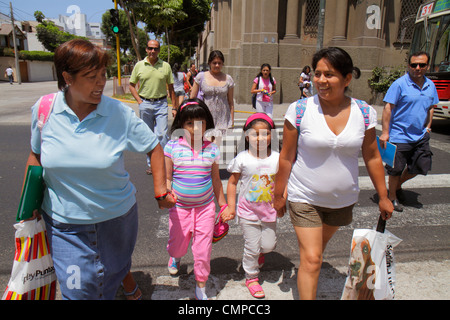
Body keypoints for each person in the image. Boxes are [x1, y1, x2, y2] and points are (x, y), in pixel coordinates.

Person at [25, 39, 176, 300]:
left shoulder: (119, 113)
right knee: (78, 291)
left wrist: (161, 191)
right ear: (67, 77)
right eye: (90, 76)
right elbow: (36, 155)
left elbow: (155, 147)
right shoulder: (44, 109)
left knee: (109, 277)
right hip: (64, 224)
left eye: (103, 75)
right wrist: (27, 206)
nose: (100, 83)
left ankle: (124, 282)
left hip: (116, 219)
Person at [273, 47, 393, 300]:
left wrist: (384, 196)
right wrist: (278, 193)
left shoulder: (364, 112)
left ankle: (308, 265)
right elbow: (286, 155)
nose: (321, 81)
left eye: (329, 75)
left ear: (347, 78)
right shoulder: (300, 109)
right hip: (303, 196)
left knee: (316, 251)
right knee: (313, 258)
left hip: (342, 201)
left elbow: (372, 156)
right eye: (317, 74)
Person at [164, 99, 232, 300]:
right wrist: (167, 194)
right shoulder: (172, 147)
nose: (195, 128)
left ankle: (201, 286)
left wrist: (224, 205)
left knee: (202, 250)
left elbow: (216, 180)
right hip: (179, 209)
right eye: (189, 124)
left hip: (205, 209)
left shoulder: (212, 149)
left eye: (200, 123)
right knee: (178, 245)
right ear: (181, 125)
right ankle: (175, 257)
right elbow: (167, 178)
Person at [225, 113, 284, 299]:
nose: (260, 138)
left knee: (268, 245)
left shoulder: (277, 158)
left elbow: (284, 181)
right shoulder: (242, 159)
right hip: (247, 212)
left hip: (269, 212)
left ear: (272, 136)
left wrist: (283, 201)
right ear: (246, 136)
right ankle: (251, 277)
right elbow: (232, 183)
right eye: (255, 134)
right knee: (252, 246)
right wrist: (231, 207)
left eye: (265, 134)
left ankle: (259, 255)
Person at [379, 51, 438, 212]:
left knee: (421, 166)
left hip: (420, 135)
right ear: (409, 66)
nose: (417, 68)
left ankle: (397, 186)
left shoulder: (430, 85)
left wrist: (428, 126)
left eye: (421, 65)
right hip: (399, 135)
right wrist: (385, 132)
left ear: (427, 66)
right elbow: (388, 108)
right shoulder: (399, 84)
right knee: (396, 169)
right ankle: (392, 197)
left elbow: (431, 107)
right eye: (414, 65)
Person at [129, 40, 177, 175]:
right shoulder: (139, 65)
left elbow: (171, 88)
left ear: (159, 50)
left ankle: (163, 163)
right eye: (150, 48)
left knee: (161, 134)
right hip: (145, 103)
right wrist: (139, 101)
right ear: (146, 49)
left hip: (161, 104)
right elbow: (131, 85)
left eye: (155, 49)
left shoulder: (165, 66)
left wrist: (174, 107)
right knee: (148, 136)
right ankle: (151, 164)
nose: (152, 51)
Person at [190, 50, 235, 133]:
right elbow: (192, 98)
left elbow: (230, 102)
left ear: (222, 64)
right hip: (205, 117)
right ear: (209, 63)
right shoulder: (201, 76)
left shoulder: (228, 79)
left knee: (220, 144)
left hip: (223, 119)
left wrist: (231, 120)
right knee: (204, 143)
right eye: (214, 63)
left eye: (219, 63)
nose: (217, 65)